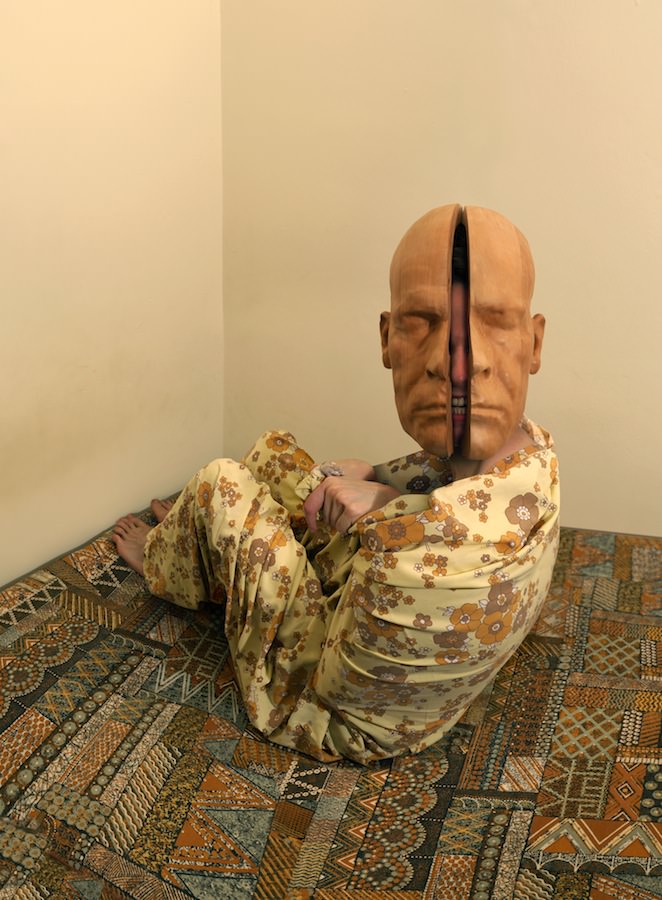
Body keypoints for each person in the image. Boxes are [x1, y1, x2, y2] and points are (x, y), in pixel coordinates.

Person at [113, 204, 560, 764]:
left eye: (494, 321)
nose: (458, 364)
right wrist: (383, 488)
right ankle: (198, 542)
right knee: (273, 452)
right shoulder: (533, 454)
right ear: (386, 337)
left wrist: (387, 512)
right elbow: (446, 488)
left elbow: (333, 676)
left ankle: (167, 562)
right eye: (422, 322)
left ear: (533, 343)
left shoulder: (428, 545)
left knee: (219, 484)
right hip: (380, 609)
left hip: (333, 712)